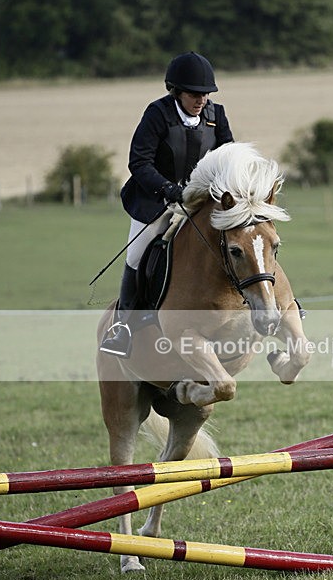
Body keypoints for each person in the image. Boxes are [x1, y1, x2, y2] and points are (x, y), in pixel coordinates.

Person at [100, 51, 234, 357]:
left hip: (201, 201)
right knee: (136, 255)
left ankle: (276, 304)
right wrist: (168, 189)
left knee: (245, 237)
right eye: (194, 94)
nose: (201, 100)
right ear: (176, 91)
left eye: (205, 94)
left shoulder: (216, 115)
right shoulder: (158, 114)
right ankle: (122, 328)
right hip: (157, 201)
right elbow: (139, 162)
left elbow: (228, 156)